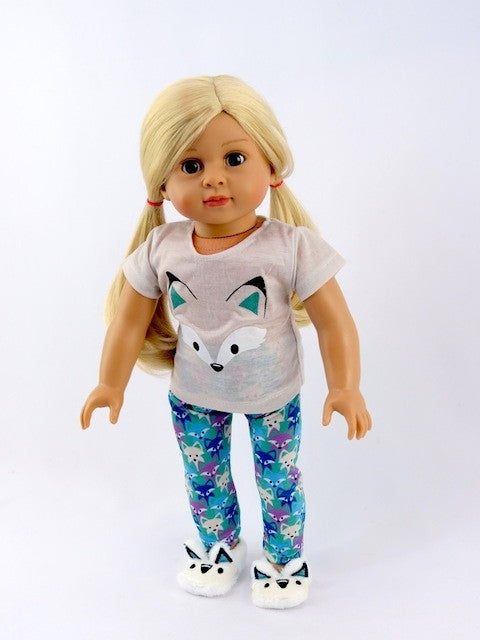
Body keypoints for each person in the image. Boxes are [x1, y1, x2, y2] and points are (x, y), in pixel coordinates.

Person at [80, 75, 372, 609]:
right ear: (163, 182)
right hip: (194, 393)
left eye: (234, 159)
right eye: (191, 166)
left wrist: (345, 387)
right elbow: (127, 322)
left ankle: (283, 559)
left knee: (278, 479)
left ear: (272, 166)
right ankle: (219, 545)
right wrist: (109, 383)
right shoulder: (162, 247)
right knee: (204, 476)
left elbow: (336, 323)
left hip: (272, 394)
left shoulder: (291, 246)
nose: (214, 178)